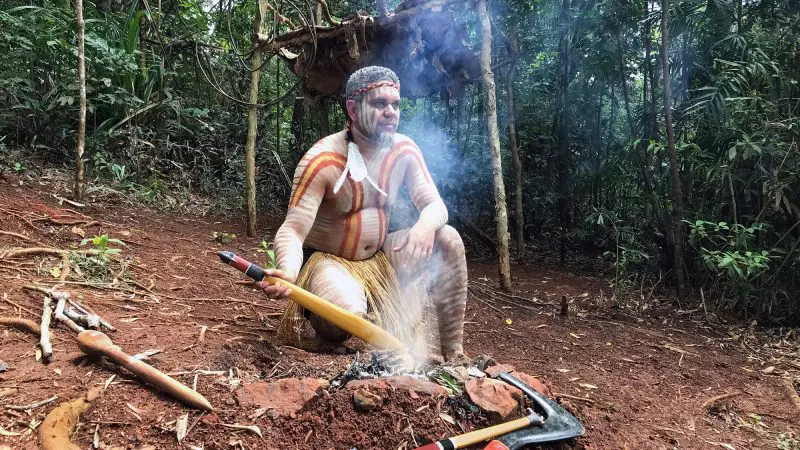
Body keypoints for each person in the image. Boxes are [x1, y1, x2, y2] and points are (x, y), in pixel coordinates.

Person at [258, 66, 467, 362]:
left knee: (448, 239)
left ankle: (455, 354)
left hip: (382, 261)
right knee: (343, 318)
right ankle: (341, 316)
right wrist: (289, 273)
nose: (391, 112)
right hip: (331, 264)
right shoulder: (322, 160)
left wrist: (424, 225)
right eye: (380, 104)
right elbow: (292, 230)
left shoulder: (404, 151)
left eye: (395, 104)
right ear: (354, 110)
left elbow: (436, 206)